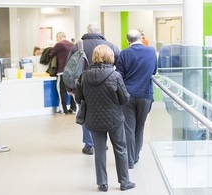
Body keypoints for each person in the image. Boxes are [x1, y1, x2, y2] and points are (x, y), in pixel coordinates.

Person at [75, 44, 135, 192]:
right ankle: (124, 182)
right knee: (120, 149)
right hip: (115, 120)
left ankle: (102, 183)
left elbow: (78, 99)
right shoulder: (115, 76)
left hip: (93, 120)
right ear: (110, 57)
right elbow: (124, 99)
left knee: (100, 152)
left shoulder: (84, 76)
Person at [67, 22, 120, 155]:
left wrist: (70, 88)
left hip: (84, 84)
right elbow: (121, 64)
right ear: (99, 31)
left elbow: (70, 68)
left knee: (85, 112)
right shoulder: (111, 46)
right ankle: (102, 142)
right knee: (105, 112)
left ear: (87, 31)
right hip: (107, 84)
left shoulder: (79, 46)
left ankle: (89, 145)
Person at [116, 29, 157, 169]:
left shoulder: (124, 53)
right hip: (145, 94)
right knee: (140, 127)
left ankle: (130, 160)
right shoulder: (151, 51)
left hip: (127, 96)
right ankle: (136, 156)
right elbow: (154, 71)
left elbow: (118, 76)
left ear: (128, 41)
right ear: (141, 38)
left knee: (128, 128)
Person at [49, 32, 77, 115]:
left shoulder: (59, 44)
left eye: (57, 38)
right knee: (72, 91)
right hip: (72, 72)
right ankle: (73, 108)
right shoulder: (72, 45)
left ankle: (63, 109)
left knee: (62, 91)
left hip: (62, 71)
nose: (56, 40)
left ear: (59, 37)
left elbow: (51, 54)